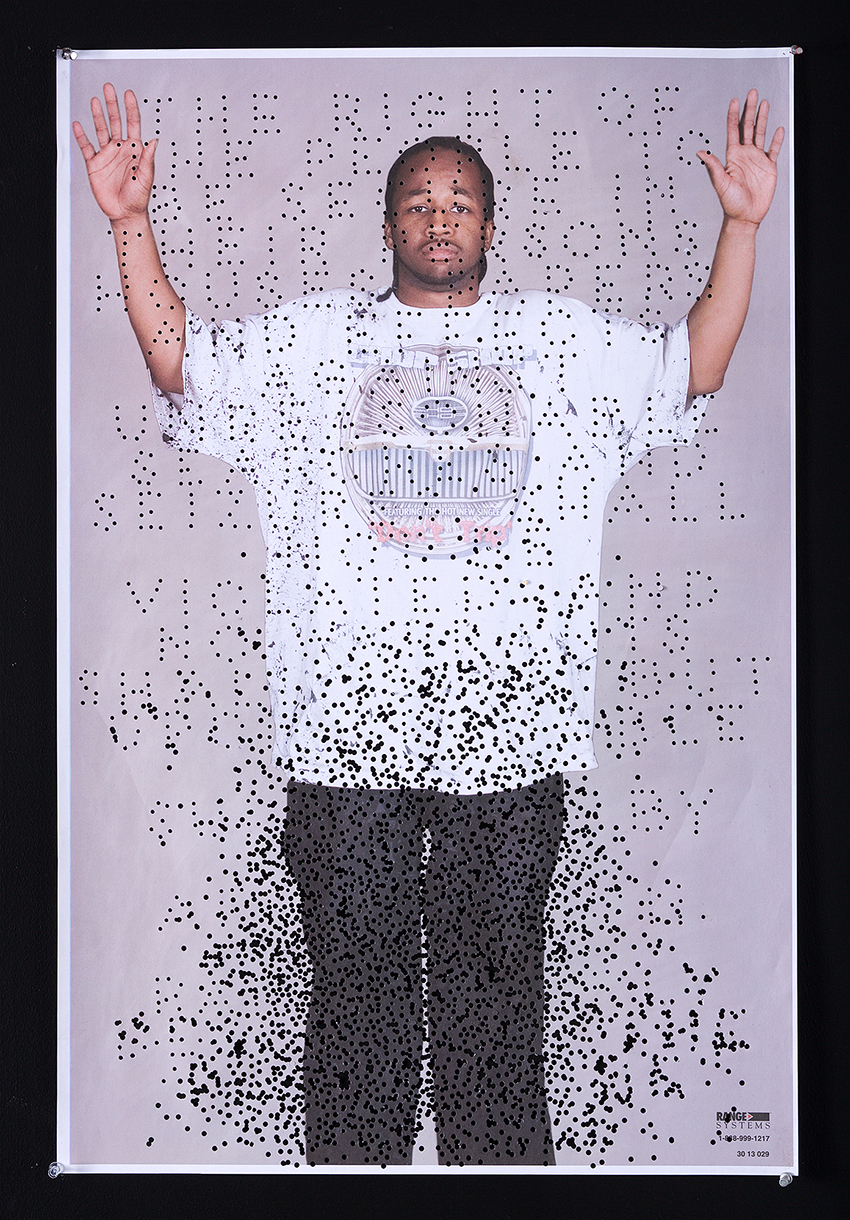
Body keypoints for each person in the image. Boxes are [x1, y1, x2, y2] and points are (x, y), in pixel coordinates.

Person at [73, 83, 783, 1166]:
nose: (438, 214)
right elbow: (183, 366)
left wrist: (740, 227)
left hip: (511, 744)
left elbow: (696, 364)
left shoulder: (559, 343)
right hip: (343, 741)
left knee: (493, 1019)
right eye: (417, 199)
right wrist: (130, 226)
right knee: (355, 1014)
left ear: (490, 227)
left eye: (459, 199)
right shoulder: (317, 342)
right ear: (389, 224)